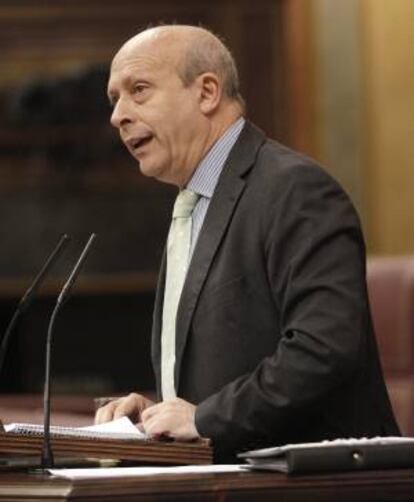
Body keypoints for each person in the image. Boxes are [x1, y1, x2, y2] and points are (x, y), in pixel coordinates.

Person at [95, 24, 399, 461]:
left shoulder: (296, 190)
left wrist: (203, 419)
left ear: (207, 92)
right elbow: (219, 379)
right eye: (114, 99)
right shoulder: (193, 202)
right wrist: (156, 416)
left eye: (138, 90)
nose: (117, 115)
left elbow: (323, 349)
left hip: (314, 482)